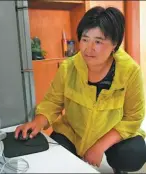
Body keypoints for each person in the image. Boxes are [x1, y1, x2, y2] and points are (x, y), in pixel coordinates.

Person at [15, 6, 146, 173]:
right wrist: (37, 122)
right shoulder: (68, 67)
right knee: (55, 157)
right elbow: (52, 102)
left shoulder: (130, 71)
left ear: (114, 44)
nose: (88, 48)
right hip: (73, 131)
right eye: (85, 39)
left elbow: (134, 117)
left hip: (111, 131)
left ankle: (117, 164)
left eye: (98, 41)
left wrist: (100, 146)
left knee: (133, 154)